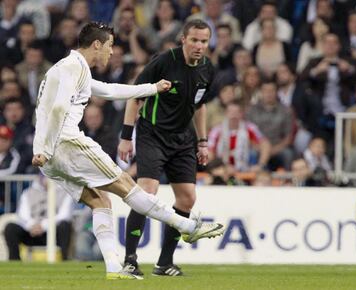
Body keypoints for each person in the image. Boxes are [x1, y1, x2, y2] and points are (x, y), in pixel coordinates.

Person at [32, 22, 224, 280]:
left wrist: (152, 88)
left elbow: (110, 90)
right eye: (110, 46)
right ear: (97, 44)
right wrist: (45, 148)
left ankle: (114, 268)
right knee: (127, 185)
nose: (111, 52)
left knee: (100, 199)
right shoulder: (72, 67)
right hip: (65, 143)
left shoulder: (71, 69)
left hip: (50, 158)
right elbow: (57, 109)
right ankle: (187, 225)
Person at [118, 19, 216, 277]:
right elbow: (135, 96)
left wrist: (203, 142)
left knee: (187, 198)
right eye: (194, 40)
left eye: (204, 41)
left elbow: (200, 105)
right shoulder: (163, 62)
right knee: (147, 192)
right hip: (153, 134)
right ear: (183, 39)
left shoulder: (207, 69)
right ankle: (129, 260)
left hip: (183, 139)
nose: (199, 46)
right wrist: (126, 137)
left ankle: (164, 263)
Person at [4, 174, 73, 261]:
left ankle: (65, 260)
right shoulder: (28, 193)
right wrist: (32, 225)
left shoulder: (65, 193)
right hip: (32, 232)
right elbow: (22, 215)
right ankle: (14, 261)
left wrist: (44, 226)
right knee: (10, 228)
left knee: (65, 225)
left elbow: (64, 215)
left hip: (53, 232)